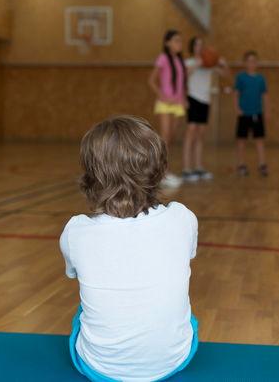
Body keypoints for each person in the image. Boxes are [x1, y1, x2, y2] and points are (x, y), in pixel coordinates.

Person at [61, 116, 199, 382]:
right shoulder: (183, 217)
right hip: (176, 360)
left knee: (85, 306)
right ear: (159, 169)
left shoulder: (75, 231)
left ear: (92, 175)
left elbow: (72, 273)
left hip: (98, 369)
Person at [182, 37, 230, 181]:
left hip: (205, 100)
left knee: (201, 135)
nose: (200, 47)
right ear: (192, 47)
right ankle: (186, 169)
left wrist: (223, 64)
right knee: (191, 132)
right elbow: (184, 75)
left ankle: (198, 167)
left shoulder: (210, 64)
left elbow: (226, 75)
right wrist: (199, 63)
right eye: (197, 44)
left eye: (202, 45)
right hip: (193, 98)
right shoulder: (189, 62)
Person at [148, 30, 188, 188]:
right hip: (165, 104)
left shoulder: (179, 60)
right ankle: (162, 174)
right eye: (176, 41)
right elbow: (151, 80)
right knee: (164, 139)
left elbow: (181, 82)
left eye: (180, 41)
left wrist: (183, 98)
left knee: (170, 139)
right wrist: (164, 97)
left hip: (177, 105)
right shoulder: (163, 58)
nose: (179, 44)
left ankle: (164, 173)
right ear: (167, 43)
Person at [233, 51, 270, 177]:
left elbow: (265, 95)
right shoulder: (240, 77)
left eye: (254, 61)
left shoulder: (261, 78)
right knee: (241, 140)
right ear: (245, 63)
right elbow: (235, 93)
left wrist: (267, 110)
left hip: (257, 113)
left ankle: (262, 165)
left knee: (259, 139)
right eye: (249, 60)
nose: (252, 63)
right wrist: (237, 108)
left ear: (257, 63)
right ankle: (241, 164)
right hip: (244, 113)